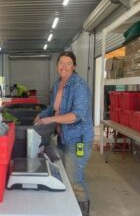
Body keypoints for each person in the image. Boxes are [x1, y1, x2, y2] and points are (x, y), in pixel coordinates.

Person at [34, 51, 93, 216]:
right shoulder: (57, 84)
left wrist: (50, 120)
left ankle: (83, 212)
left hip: (79, 140)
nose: (64, 66)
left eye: (68, 63)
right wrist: (42, 115)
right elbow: (53, 108)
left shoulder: (79, 86)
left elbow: (77, 115)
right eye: (61, 63)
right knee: (64, 175)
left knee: (75, 178)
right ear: (57, 65)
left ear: (74, 67)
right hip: (63, 137)